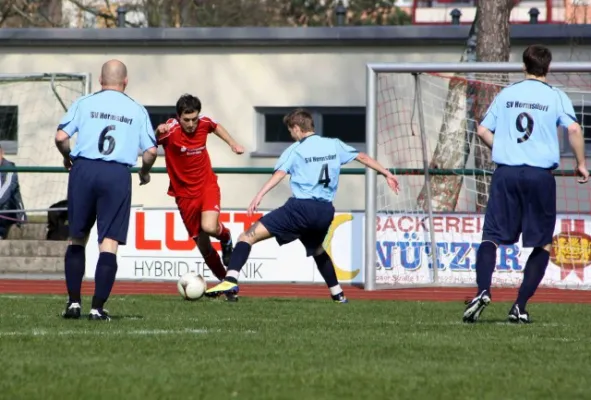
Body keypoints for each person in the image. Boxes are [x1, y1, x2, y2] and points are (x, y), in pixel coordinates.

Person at [205, 108, 399, 302]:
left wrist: (259, 195)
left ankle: (230, 279)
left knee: (247, 236)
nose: (291, 135)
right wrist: (386, 173)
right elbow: (362, 157)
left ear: (297, 128)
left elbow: (280, 174)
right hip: (325, 211)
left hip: (300, 209)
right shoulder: (334, 144)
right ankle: (338, 294)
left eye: (291, 131)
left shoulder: (295, 150)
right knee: (317, 249)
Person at [462, 44, 589, 324]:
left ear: (523, 66)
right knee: (542, 244)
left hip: (506, 172)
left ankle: (482, 290)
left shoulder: (507, 94)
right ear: (548, 68)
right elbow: (574, 129)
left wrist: (503, 147)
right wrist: (581, 163)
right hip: (539, 176)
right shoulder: (555, 96)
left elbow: (482, 129)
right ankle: (519, 305)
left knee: (491, 237)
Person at [55, 59, 158, 321]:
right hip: (116, 175)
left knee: (77, 238)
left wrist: (68, 157)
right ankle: (97, 308)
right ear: (126, 81)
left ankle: (74, 303)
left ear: (100, 81)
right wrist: (144, 172)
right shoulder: (136, 109)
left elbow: (60, 137)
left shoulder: (84, 102)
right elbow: (150, 151)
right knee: (108, 243)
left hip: (84, 170)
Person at [155, 94, 244, 286]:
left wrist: (232, 144)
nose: (191, 124)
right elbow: (150, 142)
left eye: (194, 119)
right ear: (178, 118)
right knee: (204, 247)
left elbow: (215, 126)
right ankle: (226, 284)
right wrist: (157, 130)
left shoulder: (204, 124)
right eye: (186, 120)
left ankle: (226, 237)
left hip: (206, 186)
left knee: (210, 227)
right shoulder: (170, 131)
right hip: (184, 195)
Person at [0, 144, 27, 239]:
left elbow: (6, 192)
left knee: (5, 204)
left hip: (11, 209)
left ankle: (1, 233)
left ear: (1, 153)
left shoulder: (9, 167)